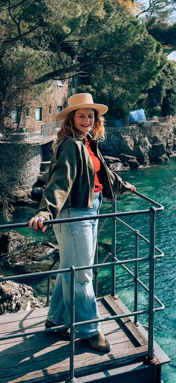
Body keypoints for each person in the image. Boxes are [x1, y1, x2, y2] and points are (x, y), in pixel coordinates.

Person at [28, 93, 135, 353]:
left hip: (91, 208)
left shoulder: (87, 141)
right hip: (75, 213)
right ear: (71, 119)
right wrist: (46, 212)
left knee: (70, 269)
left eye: (90, 116)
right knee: (83, 275)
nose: (87, 120)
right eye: (81, 116)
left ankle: (54, 321)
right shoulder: (69, 145)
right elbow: (59, 182)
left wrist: (121, 186)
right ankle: (89, 330)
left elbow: (101, 172)